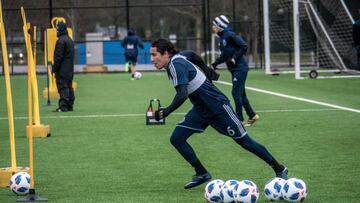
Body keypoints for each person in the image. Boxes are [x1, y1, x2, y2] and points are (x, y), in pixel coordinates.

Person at [150, 39, 288, 189]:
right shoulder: (179, 58)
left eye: (154, 55)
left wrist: (166, 112)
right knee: (177, 138)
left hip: (218, 106)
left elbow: (182, 94)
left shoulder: (176, 65)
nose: (152, 59)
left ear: (165, 54)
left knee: (244, 141)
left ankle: (279, 168)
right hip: (200, 109)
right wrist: (207, 71)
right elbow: (192, 54)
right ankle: (202, 173)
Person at [211, 15, 259, 126]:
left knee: (235, 92)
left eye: (214, 25)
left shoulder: (230, 35)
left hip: (240, 68)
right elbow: (225, 55)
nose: (213, 27)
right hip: (234, 69)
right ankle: (252, 115)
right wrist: (215, 63)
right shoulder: (222, 37)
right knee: (241, 94)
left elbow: (244, 46)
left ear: (219, 26)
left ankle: (239, 120)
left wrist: (234, 58)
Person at [53, 21, 75, 112]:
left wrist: (55, 68)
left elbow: (58, 57)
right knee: (69, 86)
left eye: (57, 29)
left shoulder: (61, 41)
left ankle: (63, 106)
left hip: (62, 69)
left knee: (62, 87)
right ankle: (69, 105)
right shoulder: (69, 40)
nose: (56, 30)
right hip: (69, 69)